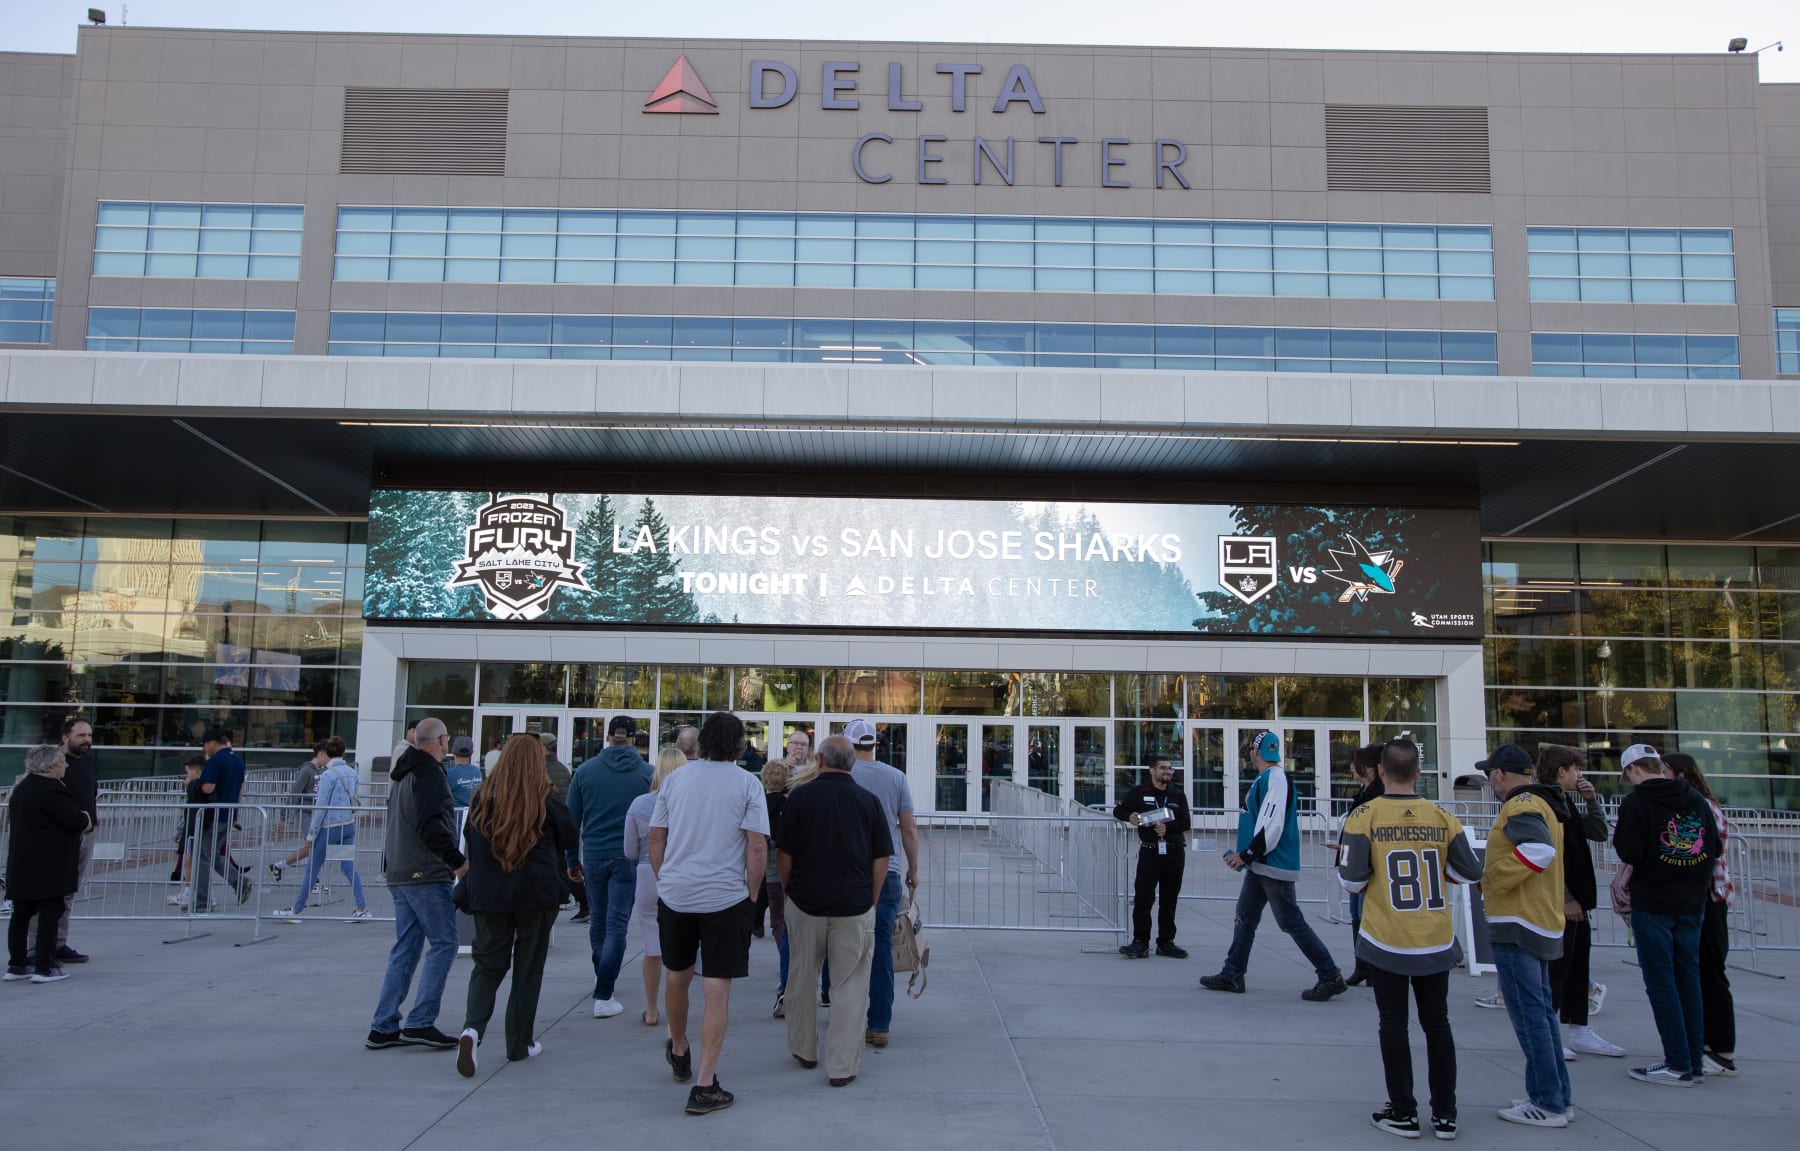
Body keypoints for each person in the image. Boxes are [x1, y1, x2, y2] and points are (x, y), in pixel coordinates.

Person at [1339, 739, 1482, 1141]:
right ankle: (1445, 1114)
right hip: (1434, 937)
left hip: (1387, 936)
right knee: (1438, 1024)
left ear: (1381, 771)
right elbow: (1470, 871)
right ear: (1419, 773)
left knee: (1394, 1024)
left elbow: (1351, 881)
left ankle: (1403, 1111)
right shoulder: (1442, 816)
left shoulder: (1364, 816)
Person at [649, 710, 770, 1115]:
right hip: (725, 897)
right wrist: (752, 895)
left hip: (677, 894)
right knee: (716, 988)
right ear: (739, 744)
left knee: (677, 976)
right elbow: (756, 846)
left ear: (702, 741)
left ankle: (678, 1045)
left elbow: (656, 836)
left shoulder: (675, 780)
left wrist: (665, 878)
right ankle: (704, 1083)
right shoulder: (747, 783)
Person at [455, 733, 580, 1075]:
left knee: (487, 965)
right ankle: (518, 1042)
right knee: (528, 969)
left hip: (489, 896)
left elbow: (469, 840)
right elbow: (570, 837)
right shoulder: (545, 799)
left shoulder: (481, 798)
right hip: (535, 895)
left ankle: (472, 1030)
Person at [780, 734, 893, 1087]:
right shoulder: (868, 801)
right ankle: (842, 1066)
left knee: (801, 978)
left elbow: (783, 853)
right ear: (853, 763)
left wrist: (789, 891)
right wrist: (871, 898)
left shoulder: (799, 797)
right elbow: (881, 858)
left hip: (806, 902)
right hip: (854, 905)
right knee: (850, 986)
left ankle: (805, 1049)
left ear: (819, 759)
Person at [1200, 731, 1345, 1000]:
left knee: (1291, 922)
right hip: (1262, 863)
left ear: (1256, 752)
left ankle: (1329, 974)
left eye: (1251, 749)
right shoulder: (1268, 778)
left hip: (1271, 863)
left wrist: (1247, 854)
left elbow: (1272, 823)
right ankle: (1233, 972)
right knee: (1245, 916)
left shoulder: (1275, 778)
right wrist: (1249, 856)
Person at [1614, 743, 1720, 1088]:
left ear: (1633, 771)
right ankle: (1692, 1061)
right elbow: (1713, 848)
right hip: (1691, 904)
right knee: (1688, 981)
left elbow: (1629, 850)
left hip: (1655, 902)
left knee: (1662, 983)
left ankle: (1677, 1062)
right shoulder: (1696, 800)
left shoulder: (1637, 803)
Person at [1478, 743, 1572, 1127]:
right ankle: (1556, 1096)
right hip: (1539, 917)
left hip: (1519, 921)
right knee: (1543, 1014)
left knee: (1531, 1015)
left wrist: (1492, 878)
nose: (1490, 782)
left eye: (1490, 775)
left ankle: (1547, 1102)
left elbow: (1538, 850)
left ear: (1500, 774)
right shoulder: (1544, 803)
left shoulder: (1521, 805)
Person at [367, 717, 466, 1051]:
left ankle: (383, 1025)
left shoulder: (404, 773)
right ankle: (420, 1020)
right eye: (446, 739)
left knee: (407, 947)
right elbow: (432, 825)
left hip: (401, 870)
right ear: (439, 740)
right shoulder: (428, 774)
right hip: (424, 873)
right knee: (444, 942)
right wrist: (458, 862)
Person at [1535, 745, 1624, 1059]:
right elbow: (1547, 856)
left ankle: (1579, 1028)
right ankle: (1550, 1034)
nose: (1580, 776)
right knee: (1557, 971)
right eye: (1576, 771)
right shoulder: (1546, 805)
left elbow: (1598, 832)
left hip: (1579, 901)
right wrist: (1565, 898)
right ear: (1562, 771)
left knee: (1576, 967)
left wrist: (1591, 800)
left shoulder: (1567, 804)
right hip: (1562, 902)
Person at [567, 715, 653, 1019]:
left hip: (593, 854)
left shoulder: (585, 771)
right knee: (617, 924)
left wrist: (570, 859)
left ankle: (601, 976)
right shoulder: (647, 773)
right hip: (629, 857)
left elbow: (571, 819)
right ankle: (604, 991)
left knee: (599, 922)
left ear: (608, 739)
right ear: (632, 739)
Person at [847, 718, 920, 1046]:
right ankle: (879, 1024)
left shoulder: (841, 775)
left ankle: (844, 1018)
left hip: (847, 871)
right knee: (881, 950)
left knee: (843, 948)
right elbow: (908, 827)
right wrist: (913, 868)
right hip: (887, 871)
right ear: (875, 744)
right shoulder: (896, 777)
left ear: (849, 745)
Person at [1664, 752, 1737, 1077]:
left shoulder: (1701, 806)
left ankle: (1721, 1050)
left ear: (1679, 775)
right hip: (1701, 898)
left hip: (1707, 899)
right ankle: (1706, 1044)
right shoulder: (1698, 805)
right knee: (1699, 974)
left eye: (1662, 771)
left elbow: (1701, 851)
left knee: (1710, 973)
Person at [6, 745, 92, 983]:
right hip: (49, 864)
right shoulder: (52, 791)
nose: (65, 766)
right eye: (62, 762)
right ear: (51, 766)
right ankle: (44, 967)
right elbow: (74, 820)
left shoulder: (22, 788)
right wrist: (85, 817)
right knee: (49, 913)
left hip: (23, 861)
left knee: (21, 914)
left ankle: (17, 964)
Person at [625, 746, 687, 1029]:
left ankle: (651, 1009)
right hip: (683, 874)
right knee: (684, 948)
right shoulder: (691, 803)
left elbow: (629, 850)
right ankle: (679, 1007)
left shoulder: (639, 804)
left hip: (648, 873)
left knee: (652, 946)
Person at [1112, 752, 1191, 961]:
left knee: (1169, 899)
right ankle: (1140, 942)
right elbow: (1118, 810)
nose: (1167, 772)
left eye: (1170, 769)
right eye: (1163, 768)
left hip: (1174, 852)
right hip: (1149, 852)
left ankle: (1166, 942)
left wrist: (1168, 828)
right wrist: (1129, 816)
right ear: (1152, 771)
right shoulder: (1139, 792)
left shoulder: (1177, 795)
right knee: (1143, 898)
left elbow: (1186, 823)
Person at [286, 736, 370, 922]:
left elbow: (321, 806)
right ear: (344, 752)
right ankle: (361, 906)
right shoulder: (351, 772)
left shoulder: (328, 775)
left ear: (327, 753)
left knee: (313, 869)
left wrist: (311, 834)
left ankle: (296, 910)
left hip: (328, 827)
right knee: (348, 867)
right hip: (347, 825)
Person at [53, 718, 98, 964]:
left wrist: (95, 822)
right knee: (50, 892)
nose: (87, 740)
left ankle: (59, 943)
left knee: (69, 890)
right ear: (65, 737)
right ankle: (36, 947)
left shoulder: (88, 762)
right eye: (81, 735)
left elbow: (92, 792)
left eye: (89, 735)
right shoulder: (54, 764)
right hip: (60, 835)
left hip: (86, 833)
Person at [194, 727, 252, 910]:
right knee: (213, 855)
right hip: (228, 813)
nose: (204, 749)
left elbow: (208, 788)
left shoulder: (215, 761)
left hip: (212, 815)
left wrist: (196, 784)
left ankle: (202, 902)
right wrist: (235, 814)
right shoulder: (237, 761)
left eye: (205, 745)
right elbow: (240, 789)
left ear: (212, 743)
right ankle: (239, 881)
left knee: (203, 857)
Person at [1343, 743, 1384, 986]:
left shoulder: (1375, 796)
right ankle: (1363, 965)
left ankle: (1370, 966)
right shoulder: (1364, 793)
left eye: (1357, 763)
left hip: (1368, 865)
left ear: (1371, 769)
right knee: (1356, 914)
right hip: (1357, 862)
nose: (1351, 768)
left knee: (1364, 915)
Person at [270, 741, 329, 881]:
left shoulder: (320, 771)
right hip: (305, 812)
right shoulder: (306, 771)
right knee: (314, 845)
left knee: (313, 846)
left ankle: (279, 865)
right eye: (328, 756)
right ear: (320, 754)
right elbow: (294, 794)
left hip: (315, 813)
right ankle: (313, 880)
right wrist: (283, 817)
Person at [761, 758, 792, 1018]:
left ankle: (787, 962)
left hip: (770, 870)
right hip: (791, 870)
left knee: (778, 921)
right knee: (789, 920)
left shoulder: (760, 805)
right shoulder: (790, 805)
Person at [167, 756, 207, 907]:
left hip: (195, 829)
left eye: (188, 773)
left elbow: (191, 810)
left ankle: (190, 892)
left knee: (192, 861)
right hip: (192, 827)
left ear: (195, 771)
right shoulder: (197, 786)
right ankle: (192, 892)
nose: (186, 777)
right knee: (192, 860)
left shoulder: (196, 786)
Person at [446, 736, 483, 808]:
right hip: (474, 816)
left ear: (453, 752)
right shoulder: (477, 772)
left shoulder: (448, 774)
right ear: (472, 753)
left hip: (456, 817)